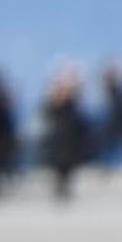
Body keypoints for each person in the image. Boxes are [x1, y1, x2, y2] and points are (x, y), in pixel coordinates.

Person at [41, 65, 91, 202]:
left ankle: (66, 188)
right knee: (58, 165)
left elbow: (80, 114)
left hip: (71, 138)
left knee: (69, 165)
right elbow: (46, 113)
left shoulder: (73, 102)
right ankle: (59, 187)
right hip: (58, 138)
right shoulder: (53, 103)